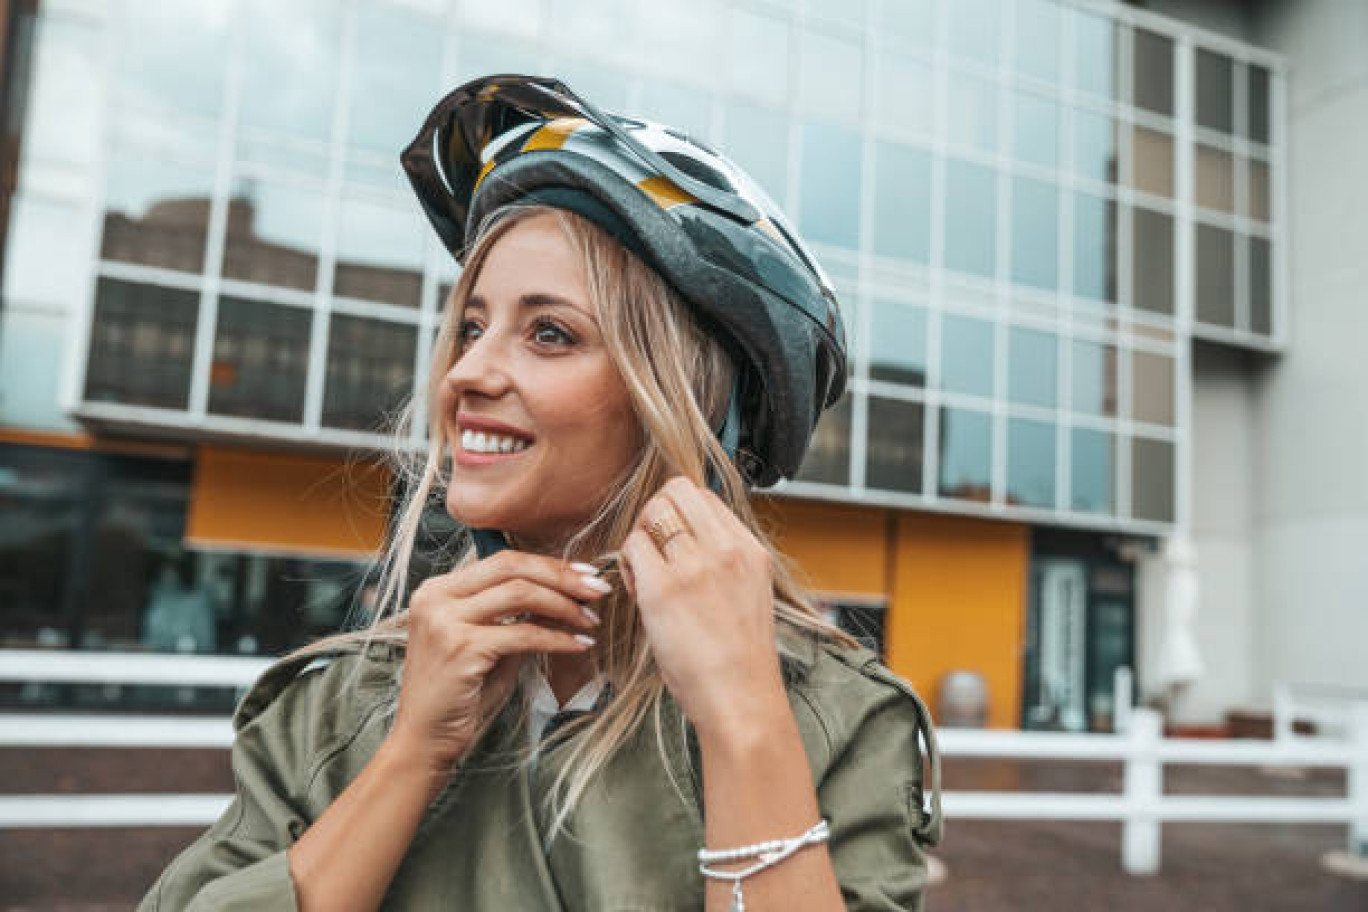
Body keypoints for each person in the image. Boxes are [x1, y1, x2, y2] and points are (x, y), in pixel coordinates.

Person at [138, 74, 941, 912]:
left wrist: (742, 717)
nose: (469, 371)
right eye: (474, 326)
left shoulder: (838, 719)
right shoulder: (339, 704)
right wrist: (411, 753)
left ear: (686, 405)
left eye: (549, 333)